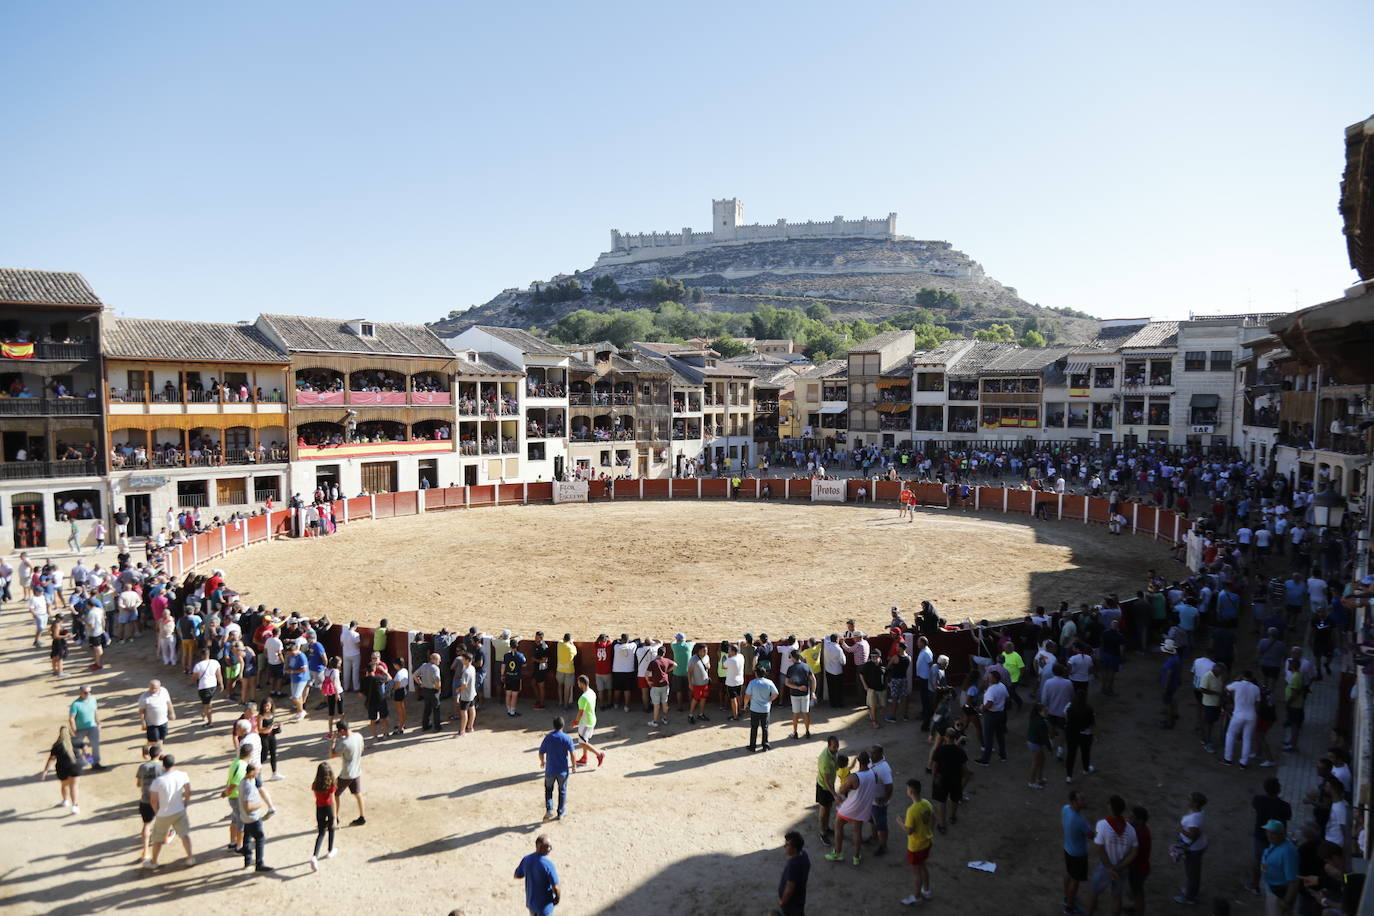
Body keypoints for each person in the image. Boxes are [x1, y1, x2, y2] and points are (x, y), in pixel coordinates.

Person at [1085, 794, 1138, 916]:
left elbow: (1100, 849)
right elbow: (1134, 852)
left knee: (1093, 893)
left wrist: (1109, 867)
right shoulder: (1130, 829)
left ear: (1110, 808)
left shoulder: (1102, 825)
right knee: (1116, 897)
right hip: (1121, 867)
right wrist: (1120, 866)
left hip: (1105, 867)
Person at [827, 750, 876, 867]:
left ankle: (838, 853)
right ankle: (856, 857)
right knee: (857, 831)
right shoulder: (873, 774)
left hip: (851, 806)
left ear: (859, 761)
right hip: (863, 807)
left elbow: (843, 790)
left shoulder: (854, 777)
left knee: (838, 825)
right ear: (868, 761)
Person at [146, 754, 195, 869]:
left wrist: (157, 812)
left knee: (157, 839)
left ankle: (154, 862)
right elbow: (188, 791)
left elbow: (153, 800)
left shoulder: (158, 781)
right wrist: (185, 804)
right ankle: (190, 858)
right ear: (174, 763)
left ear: (163, 766)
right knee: (184, 835)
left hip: (163, 813)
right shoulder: (182, 775)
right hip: (179, 810)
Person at [902, 778, 935, 905]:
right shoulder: (926, 803)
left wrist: (900, 822)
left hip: (915, 846)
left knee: (916, 871)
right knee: (923, 866)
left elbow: (909, 831)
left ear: (910, 791)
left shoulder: (912, 810)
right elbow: (934, 818)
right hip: (926, 842)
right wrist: (930, 832)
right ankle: (926, 890)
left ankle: (916, 896)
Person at [538, 717, 578, 822]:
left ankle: (549, 809)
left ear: (553, 726)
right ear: (563, 726)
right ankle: (560, 812)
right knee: (562, 791)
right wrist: (574, 766)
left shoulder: (548, 737)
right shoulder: (567, 738)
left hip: (550, 770)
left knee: (548, 790)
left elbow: (541, 752)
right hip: (563, 771)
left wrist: (542, 762)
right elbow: (573, 754)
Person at [929, 727, 968, 833]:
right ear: (955, 737)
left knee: (942, 801)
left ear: (945, 737)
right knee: (954, 799)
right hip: (955, 779)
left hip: (942, 779)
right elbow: (965, 770)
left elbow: (934, 767)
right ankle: (952, 817)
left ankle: (942, 825)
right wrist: (963, 782)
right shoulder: (960, 751)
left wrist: (935, 777)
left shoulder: (940, 750)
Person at [1258, 819, 1299, 914]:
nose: (1269, 835)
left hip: (1279, 895)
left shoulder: (1288, 852)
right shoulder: (1275, 843)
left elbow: (1294, 882)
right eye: (1268, 832)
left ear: (1282, 834)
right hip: (1270, 889)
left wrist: (1286, 902)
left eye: (1273, 833)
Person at [41, 725, 84, 814]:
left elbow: (51, 759)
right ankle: (75, 806)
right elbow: (85, 749)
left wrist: (45, 771)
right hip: (75, 766)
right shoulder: (77, 741)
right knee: (74, 786)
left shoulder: (57, 746)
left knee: (64, 785)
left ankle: (65, 801)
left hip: (62, 767)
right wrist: (90, 760)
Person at [1062, 790, 1093, 915]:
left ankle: (1066, 898)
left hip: (1067, 849)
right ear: (1074, 802)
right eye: (1082, 800)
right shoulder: (1080, 821)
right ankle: (1069, 908)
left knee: (1068, 873)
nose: (1085, 801)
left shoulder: (1065, 809)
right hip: (1078, 854)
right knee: (1075, 881)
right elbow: (1090, 836)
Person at [238, 763, 273, 872]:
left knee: (247, 836)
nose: (258, 772)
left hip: (245, 817)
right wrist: (259, 805)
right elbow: (248, 806)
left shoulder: (243, 782)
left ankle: (248, 860)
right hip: (252, 817)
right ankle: (259, 863)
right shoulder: (248, 786)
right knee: (260, 838)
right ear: (252, 772)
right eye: (257, 770)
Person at [1174, 792, 1208, 905]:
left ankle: (1189, 897)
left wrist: (1181, 829)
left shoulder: (1194, 819)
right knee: (1194, 873)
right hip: (1197, 846)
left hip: (1193, 849)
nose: (1188, 800)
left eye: (1190, 799)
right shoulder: (1200, 812)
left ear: (1195, 803)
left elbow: (1193, 835)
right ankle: (1192, 891)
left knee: (1191, 874)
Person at [1223, 670, 1261, 768]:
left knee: (1230, 735)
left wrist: (1236, 680)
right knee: (1247, 739)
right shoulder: (1256, 688)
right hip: (1251, 715)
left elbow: (1226, 689)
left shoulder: (1237, 684)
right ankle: (1243, 763)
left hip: (1238, 714)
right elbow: (1257, 703)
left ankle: (1228, 759)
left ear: (1242, 676)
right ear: (1251, 678)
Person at [330, 721, 366, 826]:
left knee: (335, 794)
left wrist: (333, 741)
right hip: (357, 771)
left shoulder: (344, 743)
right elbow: (362, 749)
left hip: (346, 774)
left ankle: (335, 818)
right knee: (358, 794)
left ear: (341, 731)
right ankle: (362, 817)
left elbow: (332, 755)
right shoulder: (359, 736)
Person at [514, 835, 560, 916]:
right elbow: (555, 887)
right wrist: (557, 898)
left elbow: (517, 875)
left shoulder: (526, 859)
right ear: (540, 847)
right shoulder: (548, 865)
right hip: (545, 907)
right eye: (548, 847)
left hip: (531, 904)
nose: (551, 849)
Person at [135, 746, 165, 863]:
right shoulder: (162, 767)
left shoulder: (142, 767)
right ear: (159, 754)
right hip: (159, 799)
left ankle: (145, 851)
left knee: (146, 825)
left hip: (145, 799)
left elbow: (138, 784)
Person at [976, 669, 1010, 766]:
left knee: (989, 737)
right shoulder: (1002, 686)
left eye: (990, 677)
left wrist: (982, 709)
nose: (988, 678)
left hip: (991, 715)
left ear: (995, 679)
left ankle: (986, 759)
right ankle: (1003, 755)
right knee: (1000, 735)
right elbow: (1007, 697)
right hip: (1000, 713)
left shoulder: (991, 690)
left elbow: (989, 703)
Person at [310, 761, 338, 872]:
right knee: (332, 828)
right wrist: (335, 817)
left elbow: (315, 796)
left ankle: (314, 856)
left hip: (319, 808)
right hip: (329, 807)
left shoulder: (315, 784)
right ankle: (330, 850)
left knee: (321, 833)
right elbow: (333, 800)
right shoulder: (331, 785)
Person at [746, 660, 780, 752]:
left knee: (754, 727)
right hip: (765, 709)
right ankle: (765, 745)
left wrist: (745, 705)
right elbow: (776, 693)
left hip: (754, 708)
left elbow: (747, 696)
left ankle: (752, 746)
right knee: (765, 728)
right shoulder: (769, 682)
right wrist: (769, 700)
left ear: (756, 674)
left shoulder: (752, 683)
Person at [68, 684, 104, 770]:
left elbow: (95, 712)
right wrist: (74, 731)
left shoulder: (93, 700)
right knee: (77, 747)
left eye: (90, 692)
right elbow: (71, 719)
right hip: (80, 729)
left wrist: (98, 723)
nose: (88, 694)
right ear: (80, 693)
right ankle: (78, 762)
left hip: (92, 727)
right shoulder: (75, 704)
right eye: (85, 692)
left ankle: (95, 763)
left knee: (95, 746)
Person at [137, 679, 175, 759]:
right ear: (149, 687)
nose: (153, 690)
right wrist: (143, 722)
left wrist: (172, 713)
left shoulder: (164, 691)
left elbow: (169, 702)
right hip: (151, 723)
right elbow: (141, 711)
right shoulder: (144, 697)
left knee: (161, 739)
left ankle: (159, 753)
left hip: (163, 720)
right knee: (154, 741)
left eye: (155, 688)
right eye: (151, 688)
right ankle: (146, 747)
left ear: (159, 687)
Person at [784, 649, 816, 739]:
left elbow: (787, 683)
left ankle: (795, 732)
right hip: (805, 693)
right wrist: (813, 692)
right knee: (806, 713)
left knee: (795, 713)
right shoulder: (806, 666)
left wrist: (797, 687)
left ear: (793, 658)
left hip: (794, 694)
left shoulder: (790, 669)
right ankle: (807, 732)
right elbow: (813, 679)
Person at [777, 830, 811, 916]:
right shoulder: (804, 854)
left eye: (787, 845)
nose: (784, 846)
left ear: (794, 849)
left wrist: (782, 902)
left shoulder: (793, 865)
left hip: (791, 902)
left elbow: (789, 889)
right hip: (800, 897)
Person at [1126, 806, 1151, 916]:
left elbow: (1131, 852)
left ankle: (1139, 912)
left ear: (1140, 820)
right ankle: (1136, 908)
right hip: (1140, 868)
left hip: (1138, 869)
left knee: (1137, 892)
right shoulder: (1141, 830)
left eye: (1133, 817)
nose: (1130, 818)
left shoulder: (1140, 835)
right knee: (1136, 891)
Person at [1065, 697, 1096, 782]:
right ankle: (1086, 769)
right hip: (1085, 735)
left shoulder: (1069, 707)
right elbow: (1092, 722)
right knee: (1085, 752)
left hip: (1072, 734)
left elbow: (1066, 718)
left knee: (1071, 754)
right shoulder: (1088, 708)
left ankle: (1069, 776)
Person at [816, 736, 840, 846]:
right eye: (834, 747)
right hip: (824, 787)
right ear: (829, 745)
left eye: (837, 746)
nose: (837, 749)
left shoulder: (833, 753)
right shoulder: (825, 760)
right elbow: (826, 781)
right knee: (823, 809)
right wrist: (834, 794)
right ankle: (822, 832)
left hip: (829, 785)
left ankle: (826, 828)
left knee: (828, 808)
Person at [645, 644, 675, 728]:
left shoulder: (653, 662)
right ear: (664, 653)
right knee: (664, 702)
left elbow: (646, 674)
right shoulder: (666, 660)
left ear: (657, 653)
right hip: (665, 684)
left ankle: (655, 721)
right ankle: (665, 719)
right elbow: (675, 664)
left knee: (656, 705)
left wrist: (648, 682)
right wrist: (667, 671)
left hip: (656, 685)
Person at [686, 642, 712, 725]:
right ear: (699, 651)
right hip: (697, 684)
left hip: (705, 683)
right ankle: (690, 715)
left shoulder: (707, 657)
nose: (706, 652)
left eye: (706, 650)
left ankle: (701, 714)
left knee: (703, 698)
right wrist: (690, 683)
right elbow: (689, 672)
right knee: (696, 699)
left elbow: (708, 666)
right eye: (704, 651)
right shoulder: (693, 659)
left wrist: (708, 666)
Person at [416, 652, 443, 732]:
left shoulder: (424, 665)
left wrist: (420, 683)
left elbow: (415, 675)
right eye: (438, 659)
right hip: (433, 690)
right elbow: (437, 679)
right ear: (434, 659)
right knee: (436, 709)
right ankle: (437, 727)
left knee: (427, 708)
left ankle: (425, 726)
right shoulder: (435, 668)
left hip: (425, 690)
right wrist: (438, 688)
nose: (440, 661)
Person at [503, 638, 527, 718]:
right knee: (514, 695)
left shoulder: (506, 655)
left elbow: (503, 666)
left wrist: (502, 675)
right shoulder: (520, 656)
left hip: (508, 677)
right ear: (517, 646)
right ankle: (512, 712)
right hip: (516, 678)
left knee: (508, 694)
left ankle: (509, 710)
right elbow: (524, 664)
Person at [556, 633, 577, 709]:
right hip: (569, 670)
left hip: (560, 669)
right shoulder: (572, 648)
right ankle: (565, 705)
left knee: (560, 685)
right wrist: (572, 643)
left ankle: (560, 702)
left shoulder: (559, 645)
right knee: (567, 688)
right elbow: (575, 653)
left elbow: (560, 640)